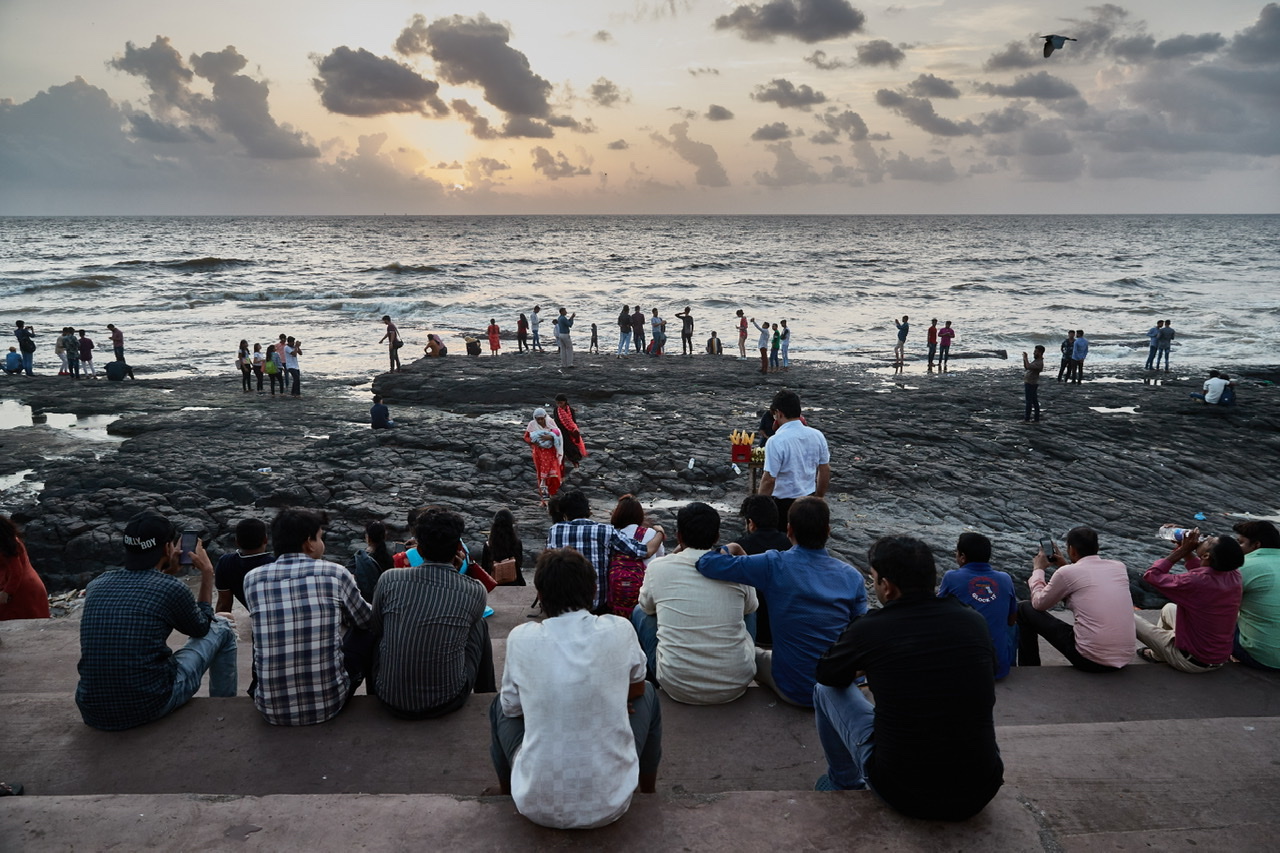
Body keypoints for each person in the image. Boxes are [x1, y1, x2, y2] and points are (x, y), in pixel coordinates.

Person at [812, 536, 1004, 820]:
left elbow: (828, 674)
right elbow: (989, 666)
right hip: (981, 788)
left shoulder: (871, 630)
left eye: (874, 579)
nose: (875, 584)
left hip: (903, 792)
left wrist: (869, 664)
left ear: (887, 587)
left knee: (822, 691)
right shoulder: (972, 620)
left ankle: (844, 783)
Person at [489, 547, 662, 829]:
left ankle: (508, 789)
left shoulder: (521, 637)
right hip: (612, 802)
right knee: (651, 694)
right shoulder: (620, 628)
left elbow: (512, 708)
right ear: (594, 590)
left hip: (535, 804)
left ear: (541, 596)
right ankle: (648, 789)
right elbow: (639, 685)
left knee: (498, 704)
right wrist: (607, 698)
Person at [696, 497, 867, 707]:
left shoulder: (774, 564)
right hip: (838, 686)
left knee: (753, 654)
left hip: (795, 689)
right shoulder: (852, 576)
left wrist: (731, 547)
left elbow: (707, 563)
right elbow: (860, 632)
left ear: (789, 530)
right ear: (828, 531)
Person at [75, 511, 237, 730]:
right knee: (223, 627)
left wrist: (167, 571)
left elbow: (146, 593)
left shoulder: (98, 584)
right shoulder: (171, 588)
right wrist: (207, 573)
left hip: (92, 709)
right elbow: (201, 629)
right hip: (149, 704)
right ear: (168, 549)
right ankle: (224, 706)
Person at [244, 509, 373, 726]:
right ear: (309, 543)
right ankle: (375, 696)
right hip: (329, 703)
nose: (322, 543)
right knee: (366, 632)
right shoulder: (335, 572)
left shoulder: (252, 579)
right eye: (320, 537)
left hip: (270, 709)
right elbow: (366, 620)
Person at [370, 508, 495, 718]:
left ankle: (373, 693)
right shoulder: (474, 590)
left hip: (389, 697)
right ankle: (488, 696)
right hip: (447, 699)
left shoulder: (389, 579)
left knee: (376, 628)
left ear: (418, 549)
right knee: (480, 624)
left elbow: (377, 628)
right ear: (458, 548)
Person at [632, 502, 758, 704]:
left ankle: (652, 679)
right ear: (717, 537)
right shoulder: (735, 568)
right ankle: (741, 657)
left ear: (679, 536)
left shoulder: (658, 568)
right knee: (750, 609)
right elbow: (751, 609)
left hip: (676, 684)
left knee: (640, 611)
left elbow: (647, 607)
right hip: (736, 682)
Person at [1017, 527, 1134, 672]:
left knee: (1024, 609)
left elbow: (1039, 604)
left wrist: (1038, 570)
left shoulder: (1067, 573)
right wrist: (1063, 565)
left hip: (1090, 659)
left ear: (1071, 550)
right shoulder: (1119, 567)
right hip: (1124, 656)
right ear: (1097, 547)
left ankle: (1029, 668)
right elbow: (1086, 581)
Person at [1136, 528, 1243, 672]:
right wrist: (1185, 549)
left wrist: (1181, 551)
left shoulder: (1196, 582)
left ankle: (1167, 654)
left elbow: (1152, 575)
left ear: (1206, 555)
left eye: (1209, 541)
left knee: (1127, 617)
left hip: (1191, 661)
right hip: (1217, 657)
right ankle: (1158, 655)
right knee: (1168, 608)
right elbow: (1201, 569)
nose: (1204, 540)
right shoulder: (1234, 575)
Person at [546, 489, 664, 613]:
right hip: (597, 604)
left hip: (562, 604)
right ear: (589, 511)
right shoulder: (605, 530)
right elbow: (644, 551)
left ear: (564, 515)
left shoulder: (554, 531)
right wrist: (660, 533)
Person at [938, 532, 1017, 680]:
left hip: (963, 670)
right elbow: (1011, 620)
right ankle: (1010, 663)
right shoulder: (1005, 579)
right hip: (998, 669)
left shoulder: (951, 577)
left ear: (962, 557)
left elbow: (937, 612)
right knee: (1013, 626)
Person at [758, 389, 830, 531]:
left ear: (779, 413)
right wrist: (819, 496)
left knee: (782, 544)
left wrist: (760, 507)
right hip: (808, 498)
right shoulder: (817, 435)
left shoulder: (776, 441)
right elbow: (824, 468)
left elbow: (769, 479)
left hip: (782, 503)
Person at [736, 495, 793, 645]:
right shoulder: (791, 545)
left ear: (751, 524)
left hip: (754, 631)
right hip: (785, 628)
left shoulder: (740, 548)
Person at [1233, 520, 1280, 671]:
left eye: (1240, 543)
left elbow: (1208, 599)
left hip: (1265, 658)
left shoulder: (1243, 565)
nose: (1236, 548)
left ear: (1256, 545)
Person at [607, 494, 665, 617]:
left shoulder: (612, 535)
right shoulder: (650, 533)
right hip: (643, 593)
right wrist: (660, 532)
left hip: (616, 598)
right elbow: (660, 557)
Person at [214, 517, 275, 612]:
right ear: (266, 540)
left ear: (237, 541)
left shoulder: (225, 562)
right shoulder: (275, 564)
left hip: (256, 616)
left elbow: (224, 605)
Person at [0, 515, 50, 620]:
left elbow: (16, 571)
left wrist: (7, 592)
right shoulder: (9, 539)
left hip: (20, 589)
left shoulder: (7, 544)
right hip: (19, 585)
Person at [523, 408, 563, 503]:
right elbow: (526, 437)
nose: (540, 421)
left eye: (542, 418)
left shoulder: (551, 423)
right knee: (542, 476)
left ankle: (552, 495)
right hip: (539, 453)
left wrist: (551, 437)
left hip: (551, 453)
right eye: (538, 419)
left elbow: (558, 434)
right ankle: (544, 499)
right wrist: (533, 443)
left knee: (554, 475)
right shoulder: (532, 424)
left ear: (545, 417)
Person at [351, 520, 394, 603]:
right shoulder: (390, 558)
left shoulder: (359, 558)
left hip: (365, 603)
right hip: (385, 602)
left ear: (368, 538)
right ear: (384, 537)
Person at [481, 508, 525, 586]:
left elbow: (484, 569)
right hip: (514, 584)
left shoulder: (488, 545)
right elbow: (519, 564)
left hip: (494, 585)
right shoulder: (517, 543)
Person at [551, 393, 588, 468]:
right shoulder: (556, 410)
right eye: (557, 403)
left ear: (565, 402)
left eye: (560, 403)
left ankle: (575, 461)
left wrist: (573, 429)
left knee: (572, 446)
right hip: (561, 431)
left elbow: (573, 421)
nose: (559, 404)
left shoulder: (570, 410)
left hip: (570, 431)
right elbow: (557, 421)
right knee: (564, 446)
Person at [1022, 345, 1045, 423]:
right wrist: (1024, 359)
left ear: (1040, 353)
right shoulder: (1036, 361)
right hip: (1031, 382)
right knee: (1034, 401)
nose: (1034, 353)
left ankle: (1027, 418)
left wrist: (1026, 358)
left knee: (1029, 401)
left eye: (1036, 352)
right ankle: (1036, 418)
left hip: (1031, 383)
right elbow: (1026, 367)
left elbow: (1028, 366)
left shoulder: (1039, 362)